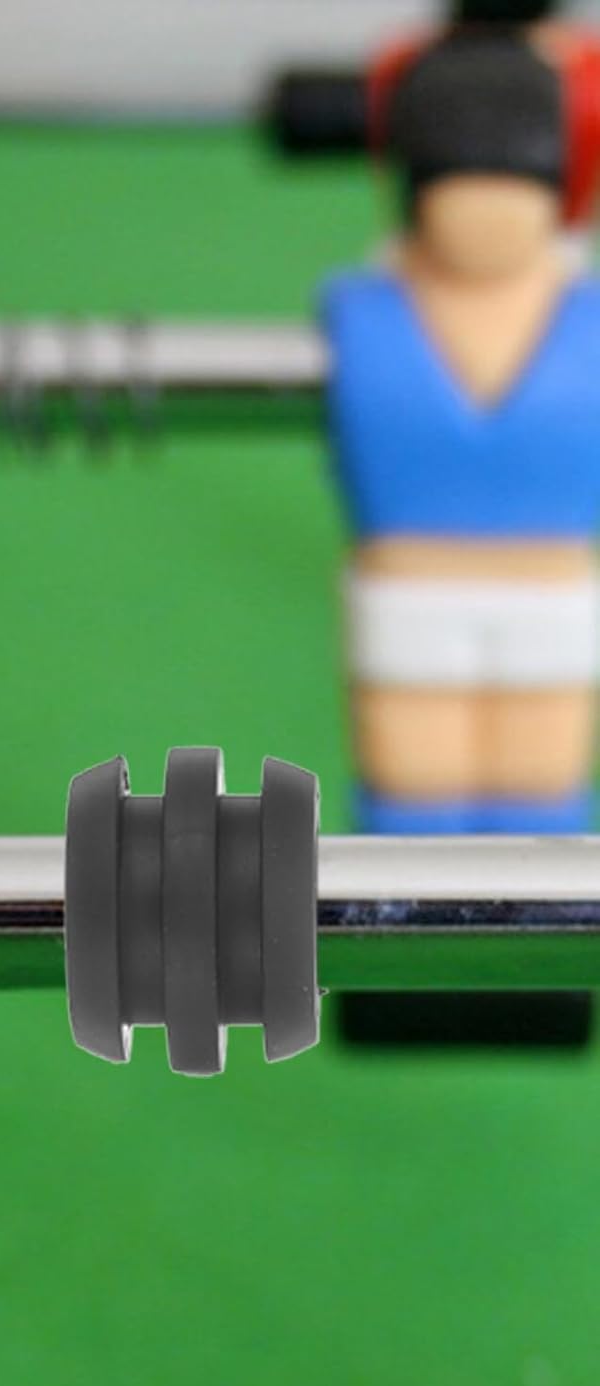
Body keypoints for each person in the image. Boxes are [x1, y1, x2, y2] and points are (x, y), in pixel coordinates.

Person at [323, 30, 600, 1044]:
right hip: (410, 592)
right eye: (462, 181)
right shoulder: (359, 312)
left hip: (553, 598)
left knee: (539, 785)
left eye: (513, 181)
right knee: (416, 783)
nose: (489, 210)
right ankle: (403, 973)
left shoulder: (586, 314)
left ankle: (539, 970)